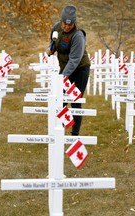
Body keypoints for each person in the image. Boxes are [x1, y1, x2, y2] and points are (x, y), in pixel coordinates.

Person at [46, 5, 91, 136]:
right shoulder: (56, 28)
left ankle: (74, 135)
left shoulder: (78, 35)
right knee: (60, 100)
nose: (67, 27)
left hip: (80, 69)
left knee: (75, 101)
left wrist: (62, 77)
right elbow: (54, 43)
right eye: (65, 24)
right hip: (65, 68)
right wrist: (51, 49)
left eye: (70, 25)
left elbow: (74, 60)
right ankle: (60, 130)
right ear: (62, 21)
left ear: (74, 23)